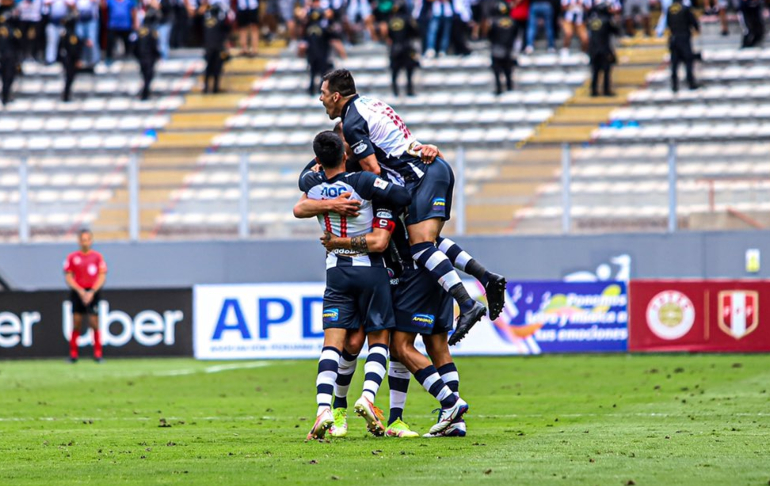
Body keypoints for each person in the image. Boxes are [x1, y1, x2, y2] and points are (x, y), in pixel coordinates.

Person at [319, 69, 507, 345]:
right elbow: (399, 143)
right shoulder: (372, 104)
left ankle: (467, 304)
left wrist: (384, 200)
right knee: (430, 241)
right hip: (430, 170)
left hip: (421, 177)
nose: (320, 99)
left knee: (420, 246)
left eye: (323, 94)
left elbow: (373, 170)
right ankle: (487, 277)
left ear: (336, 96)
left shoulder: (352, 121)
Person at [295, 130, 413, 440]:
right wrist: (380, 188)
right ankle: (369, 398)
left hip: (336, 269)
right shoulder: (360, 183)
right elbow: (402, 197)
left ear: (319, 160)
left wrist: (328, 204)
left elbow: (299, 204)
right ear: (346, 155)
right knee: (379, 341)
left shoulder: (313, 186)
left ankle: (324, 409)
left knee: (332, 343)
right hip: (370, 269)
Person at [64, 229, 107, 363]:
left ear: (91, 241)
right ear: (79, 241)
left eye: (87, 239)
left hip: (92, 292)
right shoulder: (72, 257)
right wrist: (81, 291)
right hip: (78, 292)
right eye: (83, 240)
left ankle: (98, 354)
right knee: (76, 322)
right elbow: (69, 277)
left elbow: (102, 276)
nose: (85, 242)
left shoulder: (97, 257)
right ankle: (73, 354)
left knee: (94, 322)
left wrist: (92, 292)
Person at [387, 0, 419, 97]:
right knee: (409, 69)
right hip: (406, 47)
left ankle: (395, 90)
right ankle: (409, 89)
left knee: (394, 71)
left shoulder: (391, 20)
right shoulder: (408, 19)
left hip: (395, 48)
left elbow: (389, 35)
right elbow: (415, 32)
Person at [587, 0, 618, 97]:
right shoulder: (607, 20)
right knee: (606, 70)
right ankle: (606, 90)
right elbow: (616, 31)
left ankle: (594, 90)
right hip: (604, 49)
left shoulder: (592, 20)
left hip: (593, 49)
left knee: (595, 71)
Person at [666, 0, 698, 92]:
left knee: (674, 63)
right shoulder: (685, 9)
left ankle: (674, 85)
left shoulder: (669, 9)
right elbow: (693, 22)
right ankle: (690, 82)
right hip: (684, 37)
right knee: (688, 60)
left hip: (673, 38)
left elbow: (668, 24)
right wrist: (696, 28)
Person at [202, 1, 230, 93]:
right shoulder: (219, 20)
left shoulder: (209, 20)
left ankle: (210, 87)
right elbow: (226, 29)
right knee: (214, 68)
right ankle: (211, 87)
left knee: (212, 68)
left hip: (211, 47)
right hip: (216, 47)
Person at [489, 1, 515, 95]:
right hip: (508, 49)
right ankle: (509, 86)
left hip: (496, 49)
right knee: (507, 70)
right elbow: (515, 35)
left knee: (497, 71)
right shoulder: (512, 22)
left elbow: (490, 35)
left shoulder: (493, 22)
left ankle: (499, 87)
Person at [135, 7, 160, 100]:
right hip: (149, 57)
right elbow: (154, 45)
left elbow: (135, 45)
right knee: (148, 76)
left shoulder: (140, 30)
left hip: (141, 57)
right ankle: (145, 94)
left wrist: (137, 55)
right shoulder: (153, 31)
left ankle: (145, 92)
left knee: (145, 76)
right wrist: (158, 55)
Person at [58, 4, 81, 102]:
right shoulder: (70, 34)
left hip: (67, 58)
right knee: (69, 77)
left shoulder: (66, 33)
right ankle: (66, 96)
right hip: (69, 59)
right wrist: (77, 59)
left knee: (70, 78)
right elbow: (73, 49)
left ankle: (66, 95)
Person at [0, 9, 22, 105]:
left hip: (9, 57)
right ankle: (5, 97)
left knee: (8, 78)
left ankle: (6, 96)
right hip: (8, 57)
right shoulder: (10, 30)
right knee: (7, 78)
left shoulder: (13, 30)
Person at [75, 0, 99, 67]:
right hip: (80, 19)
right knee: (80, 41)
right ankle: (82, 60)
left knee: (92, 40)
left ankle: (94, 61)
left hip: (91, 19)